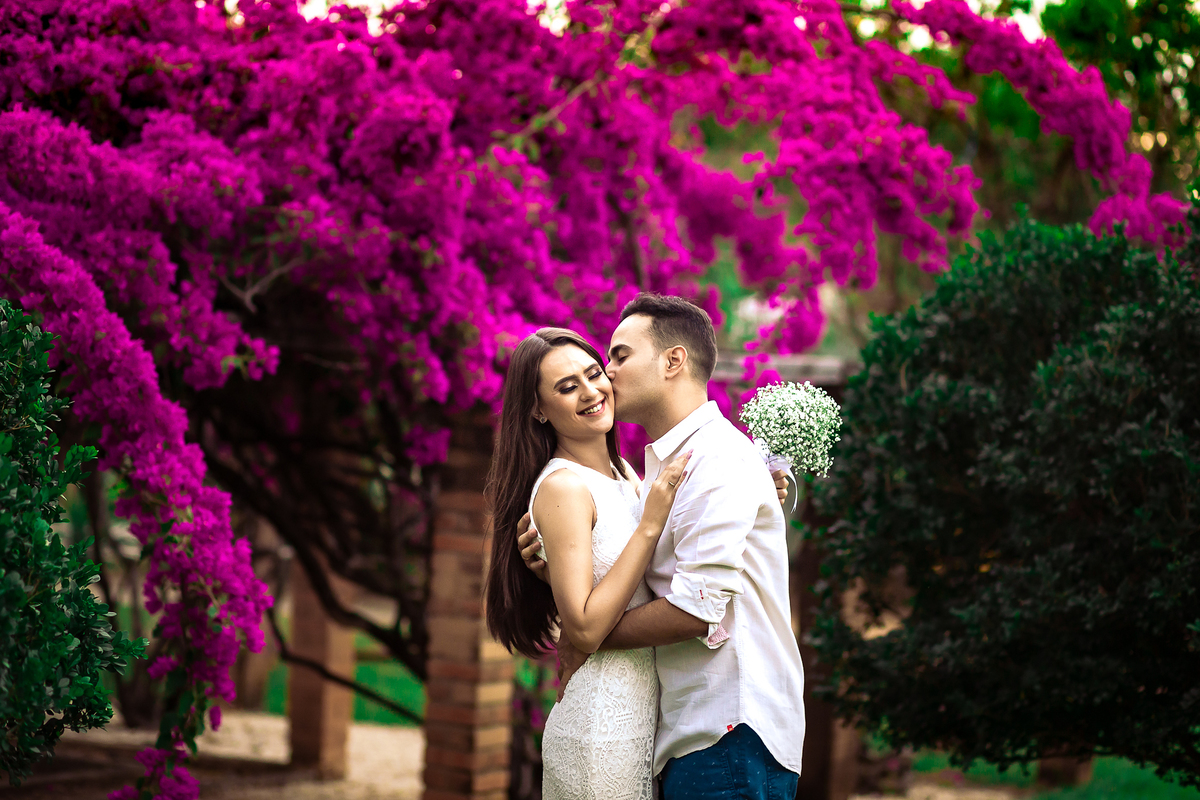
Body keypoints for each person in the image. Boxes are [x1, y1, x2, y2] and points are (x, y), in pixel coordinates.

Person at [517, 294, 806, 800]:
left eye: (618, 356)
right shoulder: (652, 472)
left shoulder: (714, 462)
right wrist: (554, 574)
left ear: (673, 360)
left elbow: (696, 610)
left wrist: (584, 634)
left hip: (728, 728)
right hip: (676, 731)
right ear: (539, 409)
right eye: (574, 381)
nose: (606, 376)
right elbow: (633, 567)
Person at [484, 327, 691, 800]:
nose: (591, 391)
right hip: (601, 734)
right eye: (566, 386)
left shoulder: (625, 477)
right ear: (537, 409)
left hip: (645, 724)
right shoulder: (564, 487)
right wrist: (649, 525)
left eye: (593, 374)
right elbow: (582, 628)